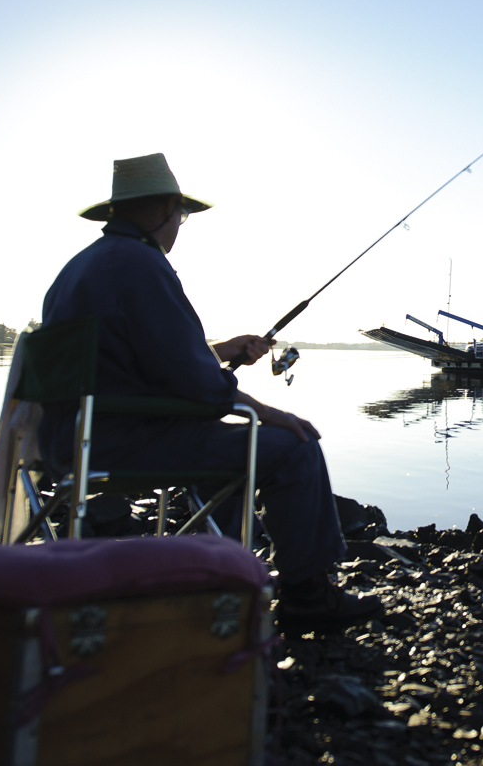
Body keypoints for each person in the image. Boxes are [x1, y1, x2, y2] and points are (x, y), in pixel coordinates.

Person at [38, 152, 380, 625]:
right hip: (120, 443)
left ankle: (221, 573)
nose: (179, 226)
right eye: (180, 215)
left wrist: (220, 351)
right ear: (163, 209)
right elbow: (194, 381)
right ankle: (308, 596)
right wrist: (269, 412)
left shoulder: (82, 267)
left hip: (67, 439)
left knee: (229, 439)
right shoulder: (142, 264)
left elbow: (141, 357)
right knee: (293, 444)